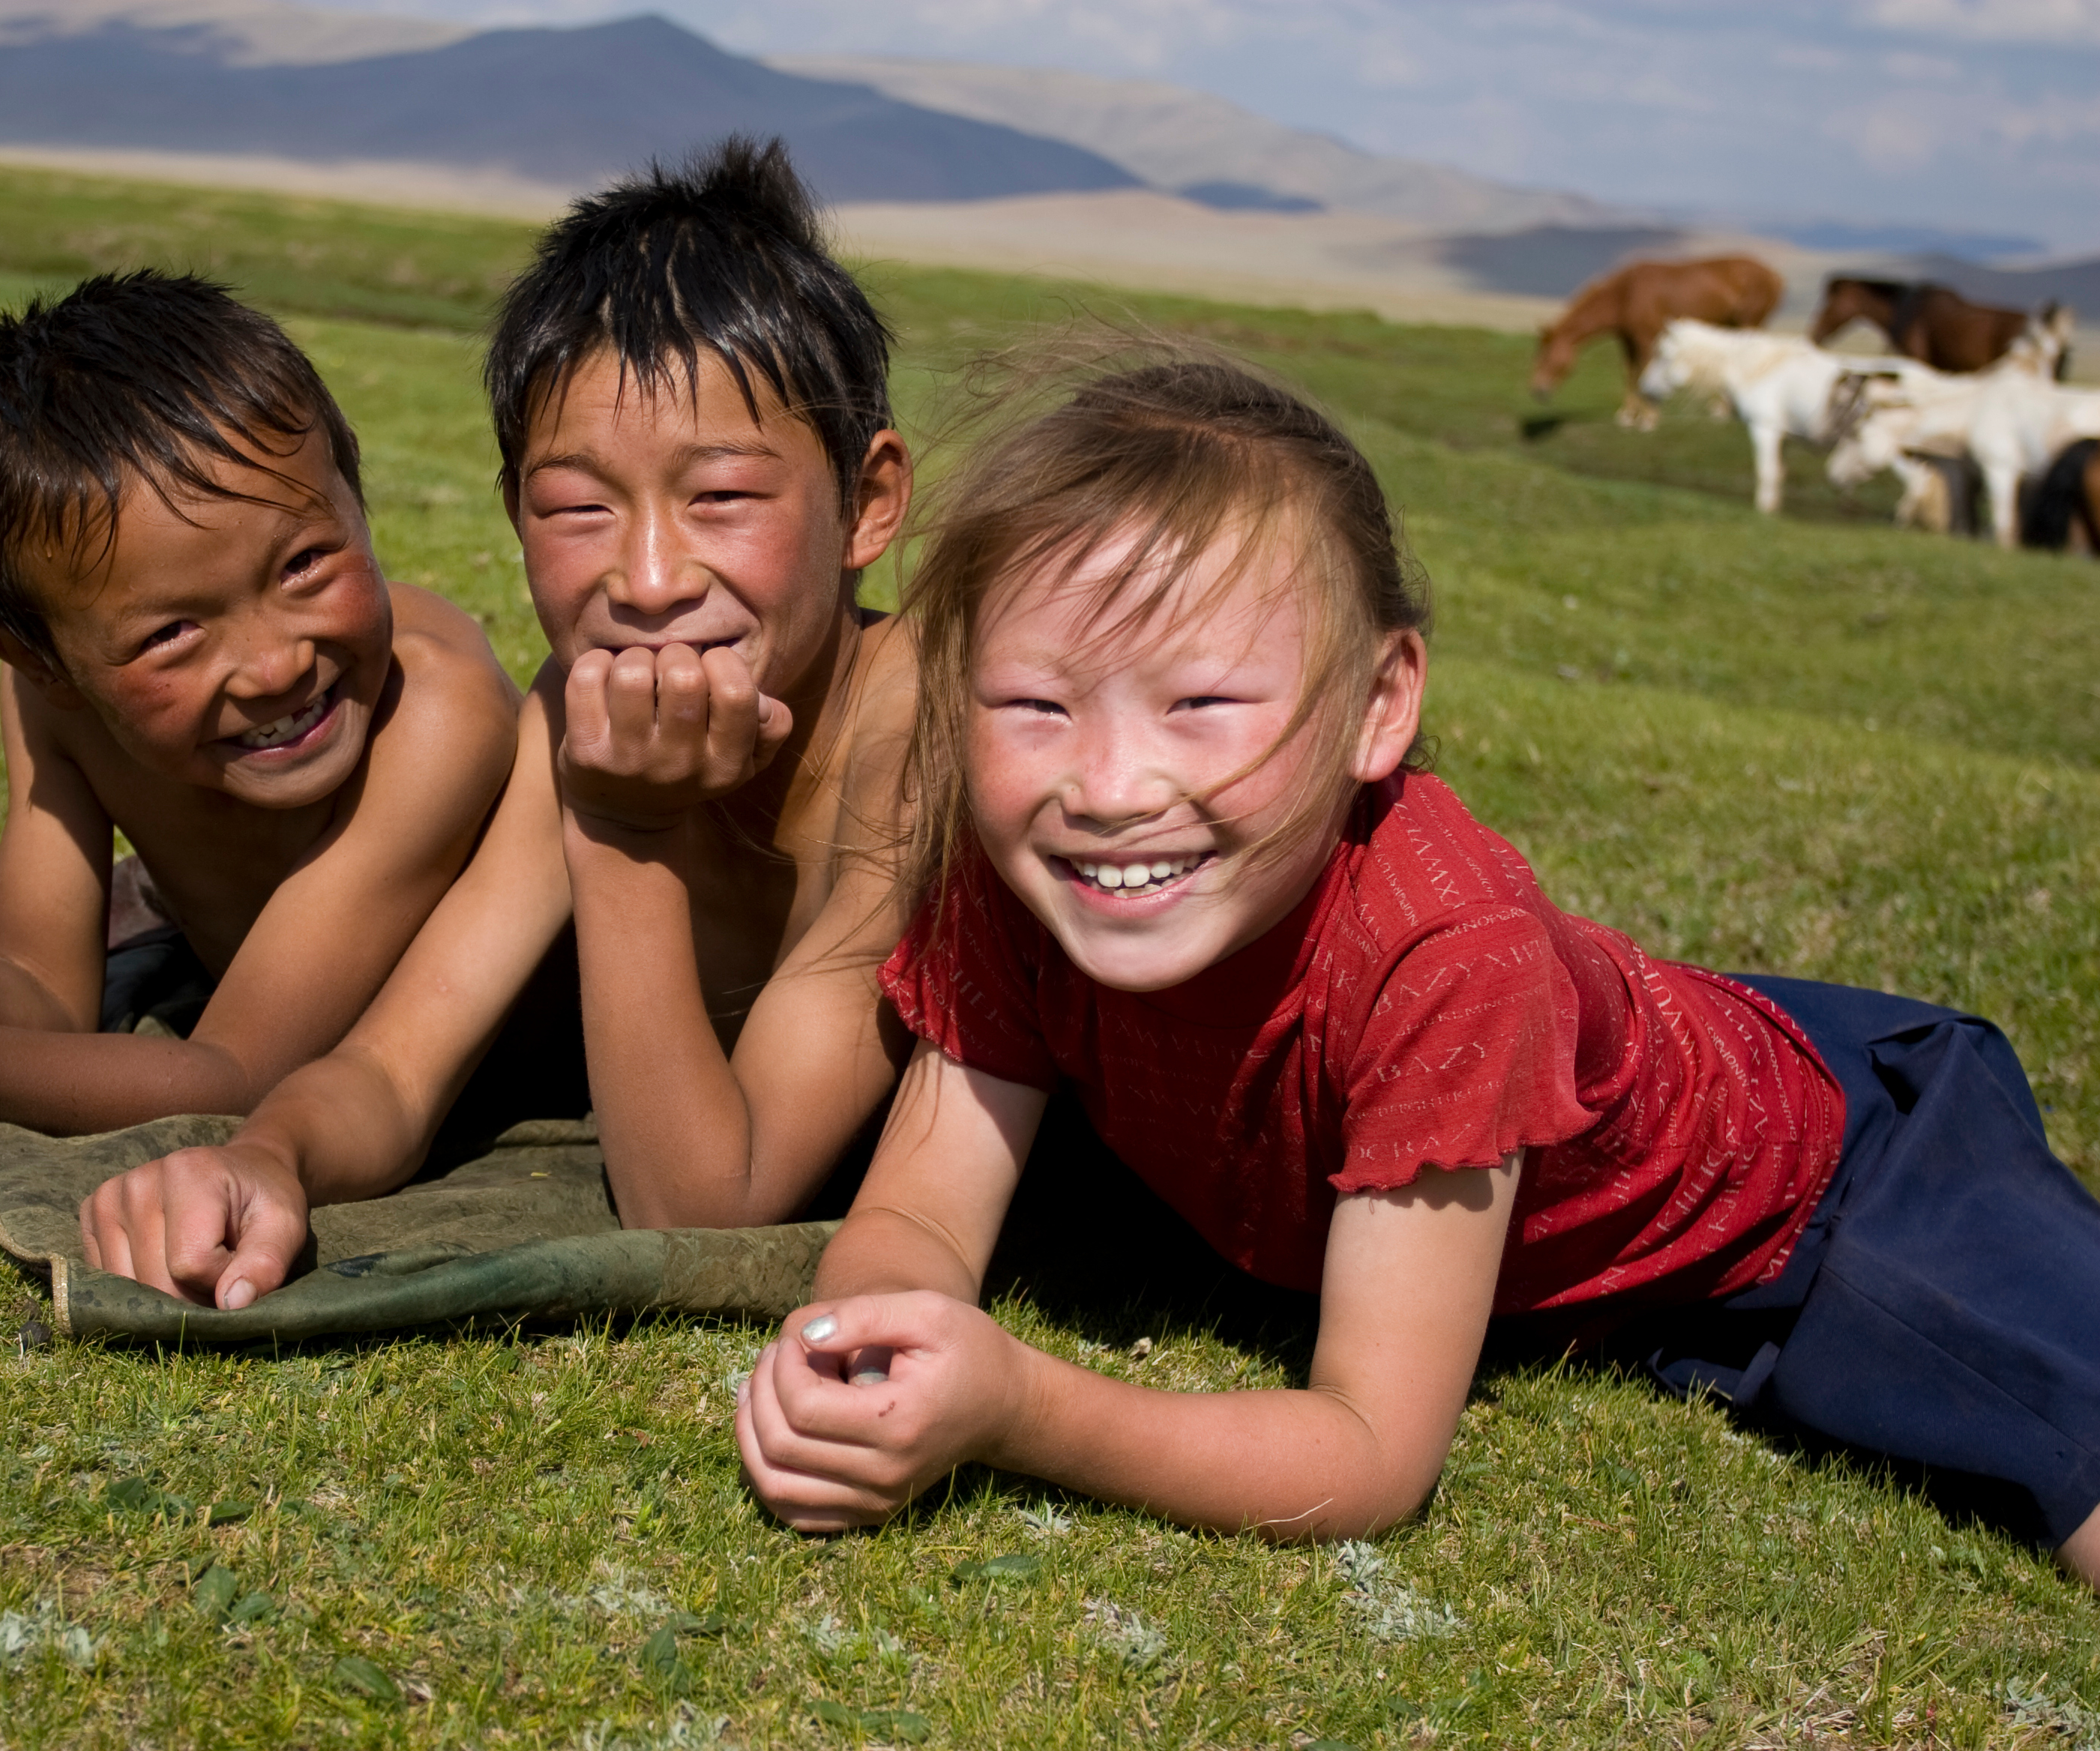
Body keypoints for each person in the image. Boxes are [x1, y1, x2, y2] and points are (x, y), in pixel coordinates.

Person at [732, 349, 2100, 1590]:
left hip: (1836, 1187)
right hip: (1589, 1208)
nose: (1103, 785)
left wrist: (1014, 1405)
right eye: (1033, 703)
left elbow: (1367, 1452)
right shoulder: (1014, 872)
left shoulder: (1446, 957)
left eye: (1200, 704)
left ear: (1378, 703)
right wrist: (871, 1344)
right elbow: (918, 1216)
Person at [74, 139, 922, 1307]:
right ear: (515, 516)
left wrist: (626, 826)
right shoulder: (565, 716)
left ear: (867, 504)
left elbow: (698, 1207)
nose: (652, 576)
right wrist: (267, 1156)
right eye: (578, 508)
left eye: (722, 498)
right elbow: (393, 1065)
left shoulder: (915, 732)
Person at [0, 272, 520, 1149]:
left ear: (355, 494)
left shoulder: (435, 713)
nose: (275, 664)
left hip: (521, 1074)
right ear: (42, 660)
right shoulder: (60, 703)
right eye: (172, 632)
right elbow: (46, 995)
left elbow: (241, 1075)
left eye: (303, 565)